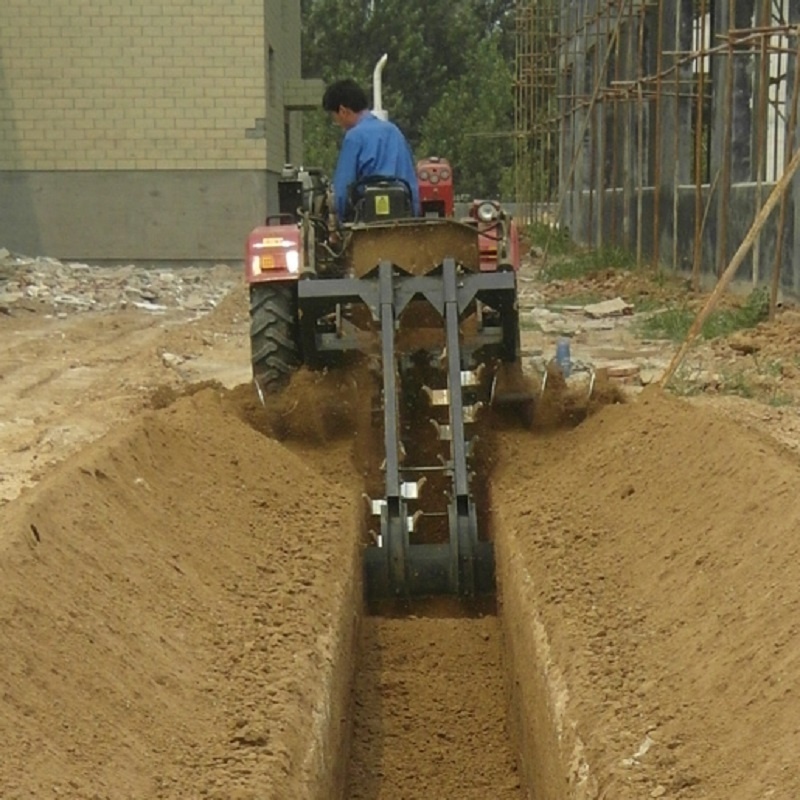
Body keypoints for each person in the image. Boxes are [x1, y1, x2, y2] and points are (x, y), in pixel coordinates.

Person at [322, 79, 421, 222]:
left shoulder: (354, 137)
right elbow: (411, 182)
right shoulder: (394, 132)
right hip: (402, 224)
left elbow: (342, 191)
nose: (337, 123)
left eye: (335, 117)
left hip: (367, 226)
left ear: (343, 111)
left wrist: (339, 224)